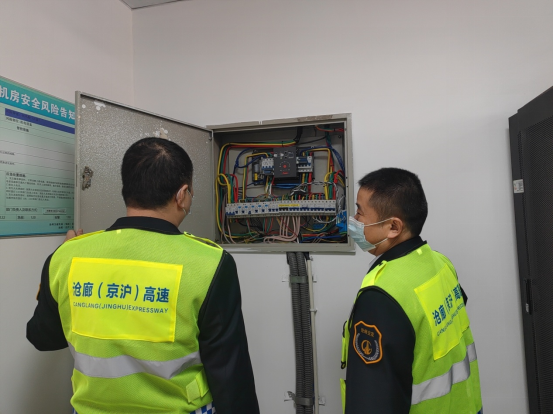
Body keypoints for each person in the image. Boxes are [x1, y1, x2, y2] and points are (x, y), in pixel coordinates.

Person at [27, 137, 259, 414]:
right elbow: (230, 373)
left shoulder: (67, 256)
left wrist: (61, 258)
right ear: (182, 194)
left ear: (126, 190)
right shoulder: (210, 262)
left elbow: (43, 338)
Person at [340, 168, 482, 414]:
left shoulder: (381, 296)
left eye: (360, 212)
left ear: (393, 227)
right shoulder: (440, 263)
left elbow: (374, 398)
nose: (354, 220)